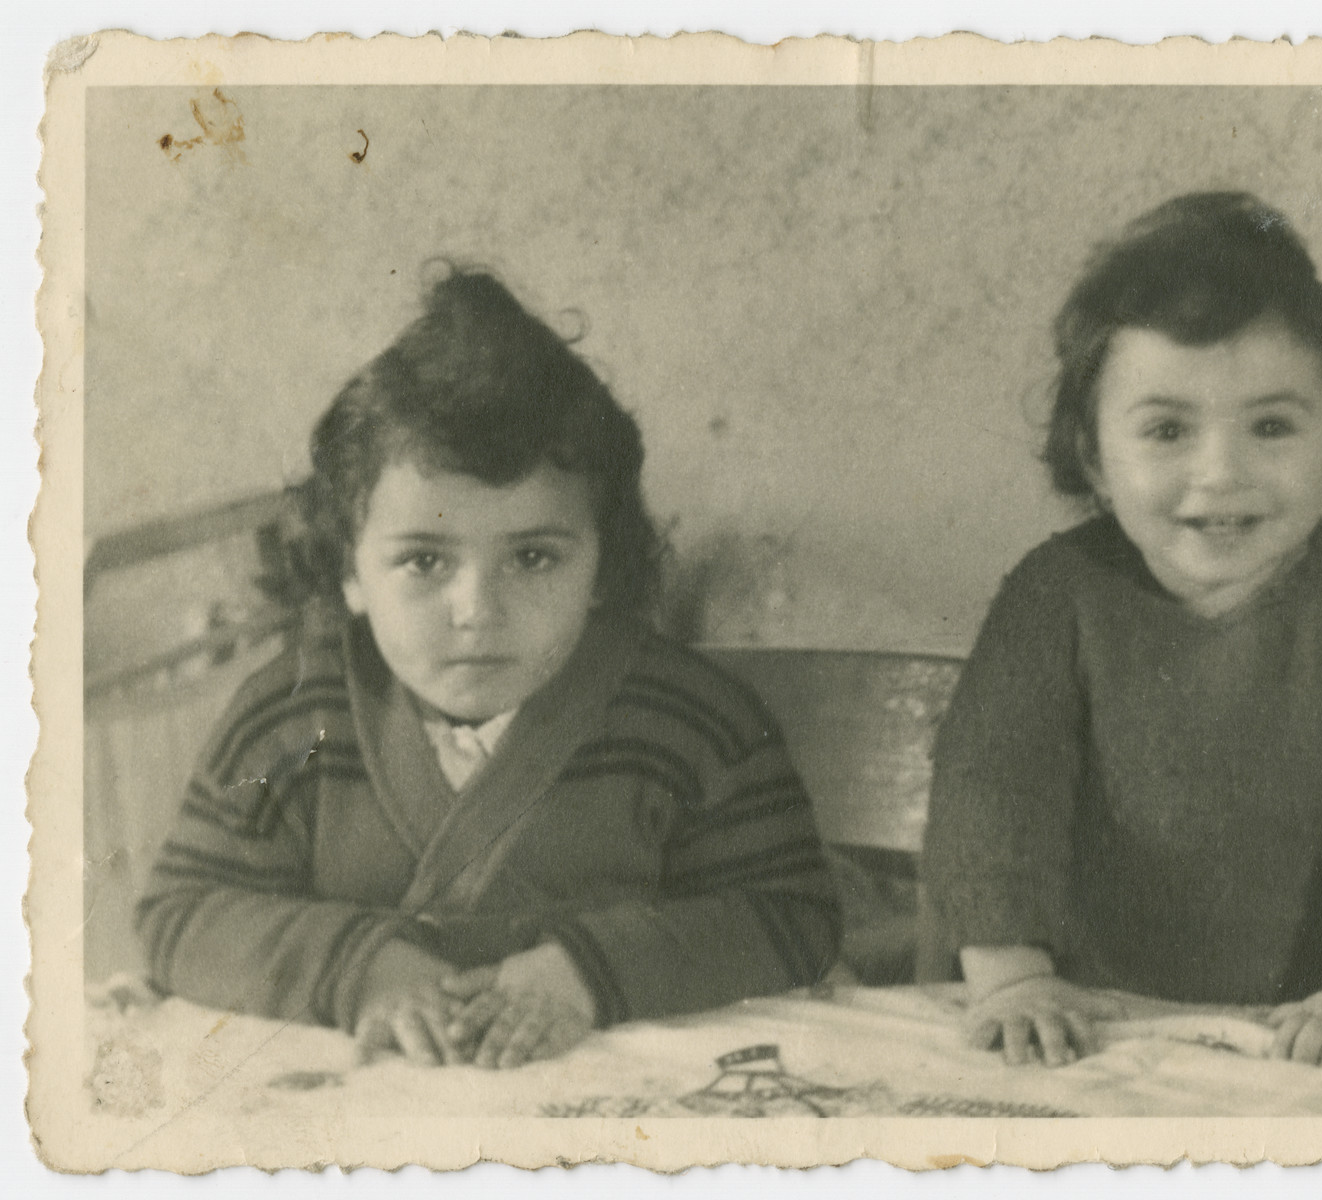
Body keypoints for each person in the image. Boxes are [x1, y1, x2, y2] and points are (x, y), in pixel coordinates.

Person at [136, 269, 840, 1069]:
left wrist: (587, 971)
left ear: (604, 563)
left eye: (534, 557)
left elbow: (790, 916)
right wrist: (360, 966)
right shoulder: (290, 719)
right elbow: (181, 915)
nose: (477, 609)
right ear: (348, 573)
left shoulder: (692, 720)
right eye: (425, 561)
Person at [918, 193, 1322, 1074]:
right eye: (1166, 430)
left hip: (1308, 1031)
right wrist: (1010, 978)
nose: (1220, 474)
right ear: (1091, 454)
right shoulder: (1052, 595)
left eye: (1270, 426)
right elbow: (992, 784)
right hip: (1087, 1024)